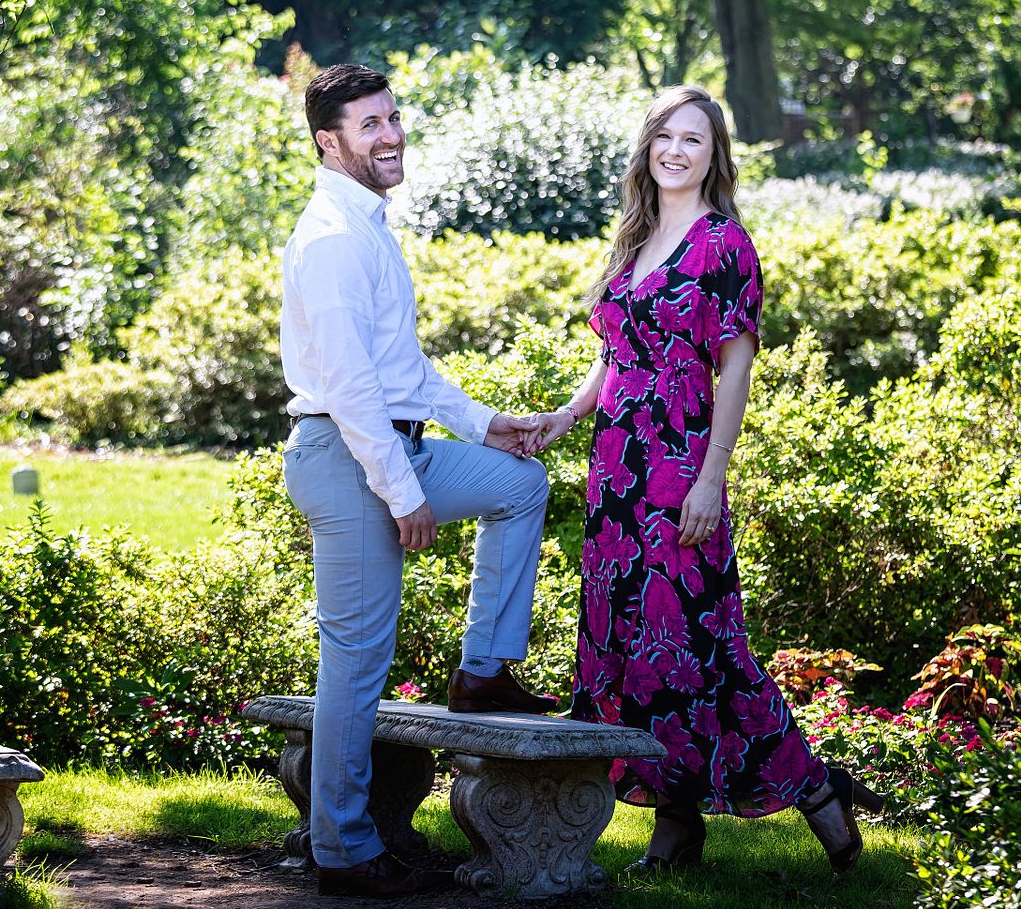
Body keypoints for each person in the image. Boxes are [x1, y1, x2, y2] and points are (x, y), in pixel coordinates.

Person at [532, 85, 883, 872]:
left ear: (714, 154)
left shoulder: (724, 243)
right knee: (632, 642)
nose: (677, 151)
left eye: (694, 139)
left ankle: (817, 787)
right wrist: (560, 419)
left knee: (698, 647)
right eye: (665, 136)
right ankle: (679, 825)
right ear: (647, 148)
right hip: (615, 473)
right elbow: (614, 356)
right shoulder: (636, 235)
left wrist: (709, 479)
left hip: (678, 468)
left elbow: (735, 366)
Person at [279, 63, 558, 899]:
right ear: (330, 142)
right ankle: (343, 851)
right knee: (357, 663)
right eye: (370, 125)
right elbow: (353, 387)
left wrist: (483, 425)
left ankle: (482, 671)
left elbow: (402, 367)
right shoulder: (330, 236)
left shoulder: (369, 226)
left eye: (393, 117)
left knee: (519, 482)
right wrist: (403, 493)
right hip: (344, 456)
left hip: (392, 444)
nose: (392, 134)